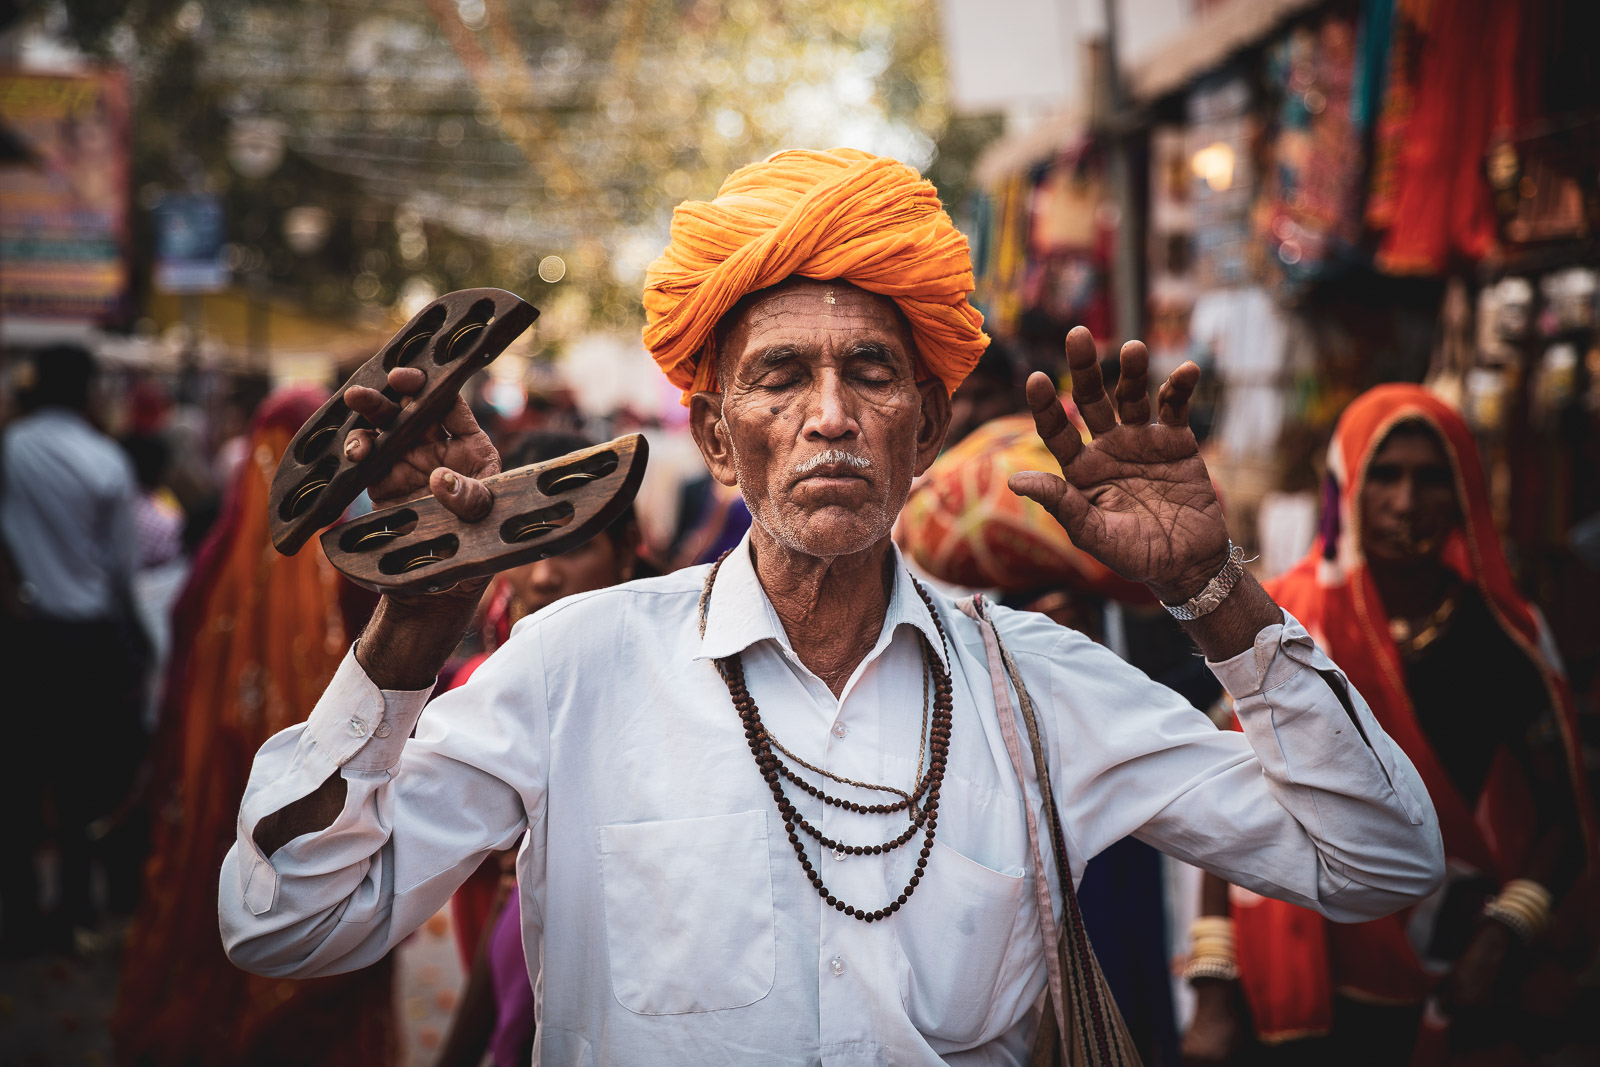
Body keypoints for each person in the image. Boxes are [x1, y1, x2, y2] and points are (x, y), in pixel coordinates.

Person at [219, 148, 1444, 1065]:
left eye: (869, 371)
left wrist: (1210, 585)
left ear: (926, 426)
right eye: (779, 375)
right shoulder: (574, 665)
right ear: (714, 431)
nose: (829, 414)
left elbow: (1377, 854)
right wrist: (415, 626)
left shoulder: (1034, 683)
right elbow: (288, 921)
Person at [1179, 385, 1595, 1067]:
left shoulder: (1504, 636)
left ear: (1465, 490)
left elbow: (1563, 819)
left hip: (1451, 964)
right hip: (1303, 965)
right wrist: (1213, 986)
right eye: (1385, 475)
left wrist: (1504, 933)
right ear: (1348, 489)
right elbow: (1229, 797)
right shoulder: (1285, 623)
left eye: (1431, 478)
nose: (1407, 502)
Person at [110, 387, 396, 1067]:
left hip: (212, 767)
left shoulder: (215, 550)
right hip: (318, 779)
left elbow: (178, 660)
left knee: (223, 891)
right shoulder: (351, 553)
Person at [436, 430, 649, 1067]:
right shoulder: (481, 686)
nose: (546, 573)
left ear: (626, 552)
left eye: (575, 545)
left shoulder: (668, 681)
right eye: (525, 543)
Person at [0, 344, 147, 952]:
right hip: (89, 636)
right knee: (81, 775)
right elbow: (123, 567)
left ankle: (17, 911)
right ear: (88, 390)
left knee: (18, 773)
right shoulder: (106, 460)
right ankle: (77, 908)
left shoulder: (11, 447)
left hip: (24, 634)